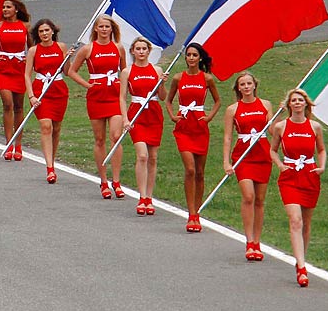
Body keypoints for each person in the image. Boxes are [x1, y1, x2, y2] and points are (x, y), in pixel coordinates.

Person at [270, 87, 326, 286]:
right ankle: (302, 268)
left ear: (305, 104)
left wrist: (321, 167)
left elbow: (321, 149)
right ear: (289, 105)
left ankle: (300, 257)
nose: (297, 103)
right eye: (293, 100)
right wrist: (280, 164)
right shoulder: (281, 127)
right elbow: (273, 150)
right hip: (290, 176)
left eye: (300, 100)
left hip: (309, 176)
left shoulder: (314, 127)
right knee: (295, 219)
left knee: (306, 223)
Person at [70, 15, 127, 197]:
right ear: (95, 29)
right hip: (96, 97)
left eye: (107, 27)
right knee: (100, 139)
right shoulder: (88, 49)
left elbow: (124, 72)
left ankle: (116, 181)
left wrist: (126, 91)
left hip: (114, 96)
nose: (104, 30)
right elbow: (72, 71)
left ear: (112, 29)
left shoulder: (119, 48)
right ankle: (103, 181)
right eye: (101, 27)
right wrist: (87, 85)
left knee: (116, 136)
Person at [221, 71, 274, 258]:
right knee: (249, 196)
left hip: (263, 154)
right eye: (242, 84)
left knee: (259, 200)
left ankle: (257, 242)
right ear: (238, 88)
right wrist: (226, 161)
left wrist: (283, 114)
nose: (246, 87)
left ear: (254, 85)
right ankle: (249, 240)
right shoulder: (233, 109)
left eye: (249, 83)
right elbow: (228, 137)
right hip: (243, 156)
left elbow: (274, 130)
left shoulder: (266, 105)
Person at [170, 44, 221, 232]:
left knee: (200, 171)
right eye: (188, 55)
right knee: (190, 169)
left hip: (200, 127)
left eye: (194, 55)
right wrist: (172, 115)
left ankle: (197, 213)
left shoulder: (207, 78)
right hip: (183, 127)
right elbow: (168, 100)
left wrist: (208, 117)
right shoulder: (178, 78)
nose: (191, 58)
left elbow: (218, 101)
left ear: (200, 58)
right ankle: (190, 212)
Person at [121, 37, 164, 215]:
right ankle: (141, 196)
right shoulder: (127, 71)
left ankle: (149, 198)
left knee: (153, 157)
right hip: (136, 114)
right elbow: (122, 97)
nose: (141, 52)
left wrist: (162, 83)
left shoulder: (157, 70)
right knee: (142, 155)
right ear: (132, 51)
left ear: (149, 51)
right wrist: (125, 119)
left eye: (144, 49)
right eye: (137, 48)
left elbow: (162, 96)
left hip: (153, 114)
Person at [24, 18, 70, 182]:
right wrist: (31, 95)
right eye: (41, 31)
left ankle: (53, 159)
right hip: (40, 90)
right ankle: (49, 168)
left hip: (58, 90)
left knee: (56, 128)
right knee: (46, 125)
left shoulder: (61, 47)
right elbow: (27, 75)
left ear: (53, 32)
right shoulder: (33, 51)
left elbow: (67, 71)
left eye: (47, 30)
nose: (44, 34)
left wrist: (68, 57)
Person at [0, 0, 32, 160]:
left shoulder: (25, 26)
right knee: (7, 103)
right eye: (3, 7)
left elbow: (32, 47)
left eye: (8, 7)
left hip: (19, 69)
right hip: (4, 69)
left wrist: (27, 59)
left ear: (16, 10)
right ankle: (8, 143)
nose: (5, 9)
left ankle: (18, 145)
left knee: (18, 106)